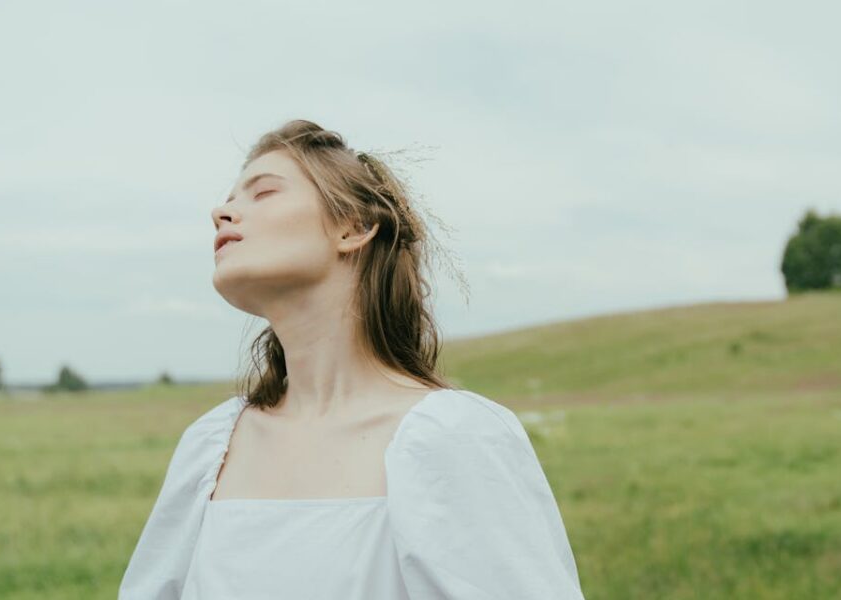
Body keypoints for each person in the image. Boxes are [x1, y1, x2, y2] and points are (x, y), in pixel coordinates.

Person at [118, 119, 586, 599]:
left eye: (264, 193)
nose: (221, 212)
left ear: (354, 227)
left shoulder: (452, 437)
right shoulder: (210, 447)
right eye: (230, 199)